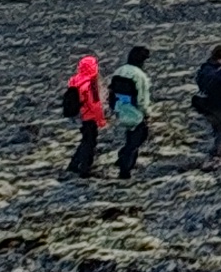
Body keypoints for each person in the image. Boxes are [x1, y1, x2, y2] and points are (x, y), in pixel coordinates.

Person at [104, 44, 157, 180]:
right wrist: (147, 114)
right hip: (136, 113)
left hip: (121, 109)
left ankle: (123, 158)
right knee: (136, 141)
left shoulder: (119, 71)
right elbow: (142, 99)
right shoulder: (140, 76)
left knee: (130, 138)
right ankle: (125, 169)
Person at [191, 43, 221, 168]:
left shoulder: (204, 68)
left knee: (215, 130)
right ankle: (217, 156)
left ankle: (214, 154)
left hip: (206, 105)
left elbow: (199, 82)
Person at [64, 53, 108, 182]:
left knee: (85, 141)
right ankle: (85, 168)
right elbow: (95, 104)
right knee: (90, 142)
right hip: (89, 116)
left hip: (79, 115)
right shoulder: (91, 84)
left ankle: (73, 165)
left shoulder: (75, 80)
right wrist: (101, 120)